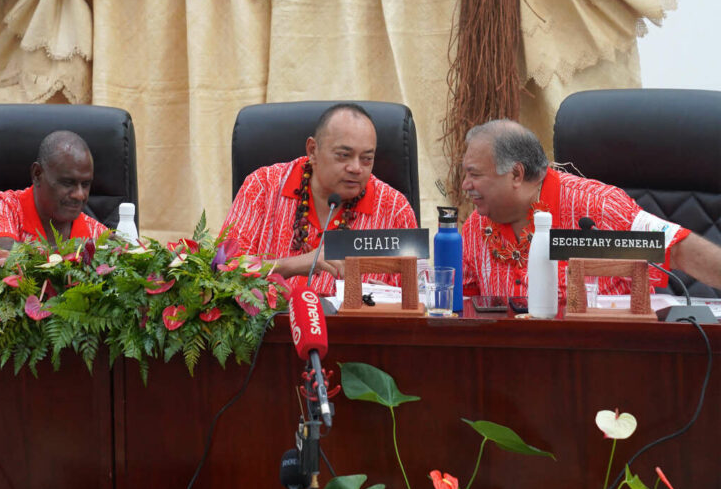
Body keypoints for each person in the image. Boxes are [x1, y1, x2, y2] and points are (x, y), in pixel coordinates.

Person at [460, 119, 721, 298]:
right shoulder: (475, 226)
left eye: (475, 174)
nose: (465, 185)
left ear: (516, 174)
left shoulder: (600, 207)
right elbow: (466, 306)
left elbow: (679, 249)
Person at [221, 103, 418, 296]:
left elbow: (418, 295)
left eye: (366, 158)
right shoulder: (262, 187)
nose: (356, 168)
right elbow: (224, 272)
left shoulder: (394, 210)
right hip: (271, 327)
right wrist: (292, 265)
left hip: (355, 328)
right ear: (313, 150)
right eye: (344, 155)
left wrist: (391, 298)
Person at [0, 130, 107, 263]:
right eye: (67, 183)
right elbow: (1, 257)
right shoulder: (2, 206)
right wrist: (86, 250)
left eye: (85, 184)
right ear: (37, 174)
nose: (79, 195)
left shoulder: (97, 233)